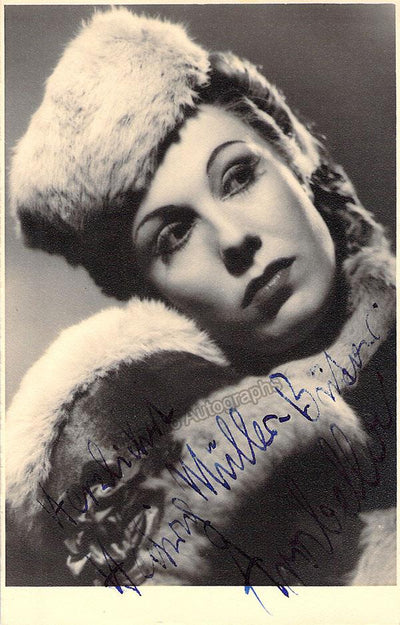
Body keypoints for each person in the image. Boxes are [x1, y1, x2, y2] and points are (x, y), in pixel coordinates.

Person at [6, 8, 395, 590]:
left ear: (294, 156)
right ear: (149, 295)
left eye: (238, 177)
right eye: (175, 235)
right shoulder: (154, 481)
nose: (235, 239)